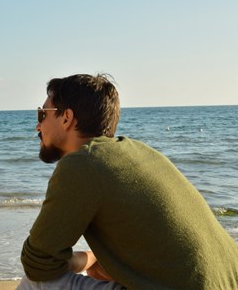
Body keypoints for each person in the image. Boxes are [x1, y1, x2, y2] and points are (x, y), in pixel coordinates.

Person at [19, 74, 238, 289]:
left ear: (66, 117)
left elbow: (38, 263)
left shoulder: (83, 163)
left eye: (42, 115)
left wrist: (88, 258)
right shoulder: (140, 151)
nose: (38, 126)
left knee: (36, 282)